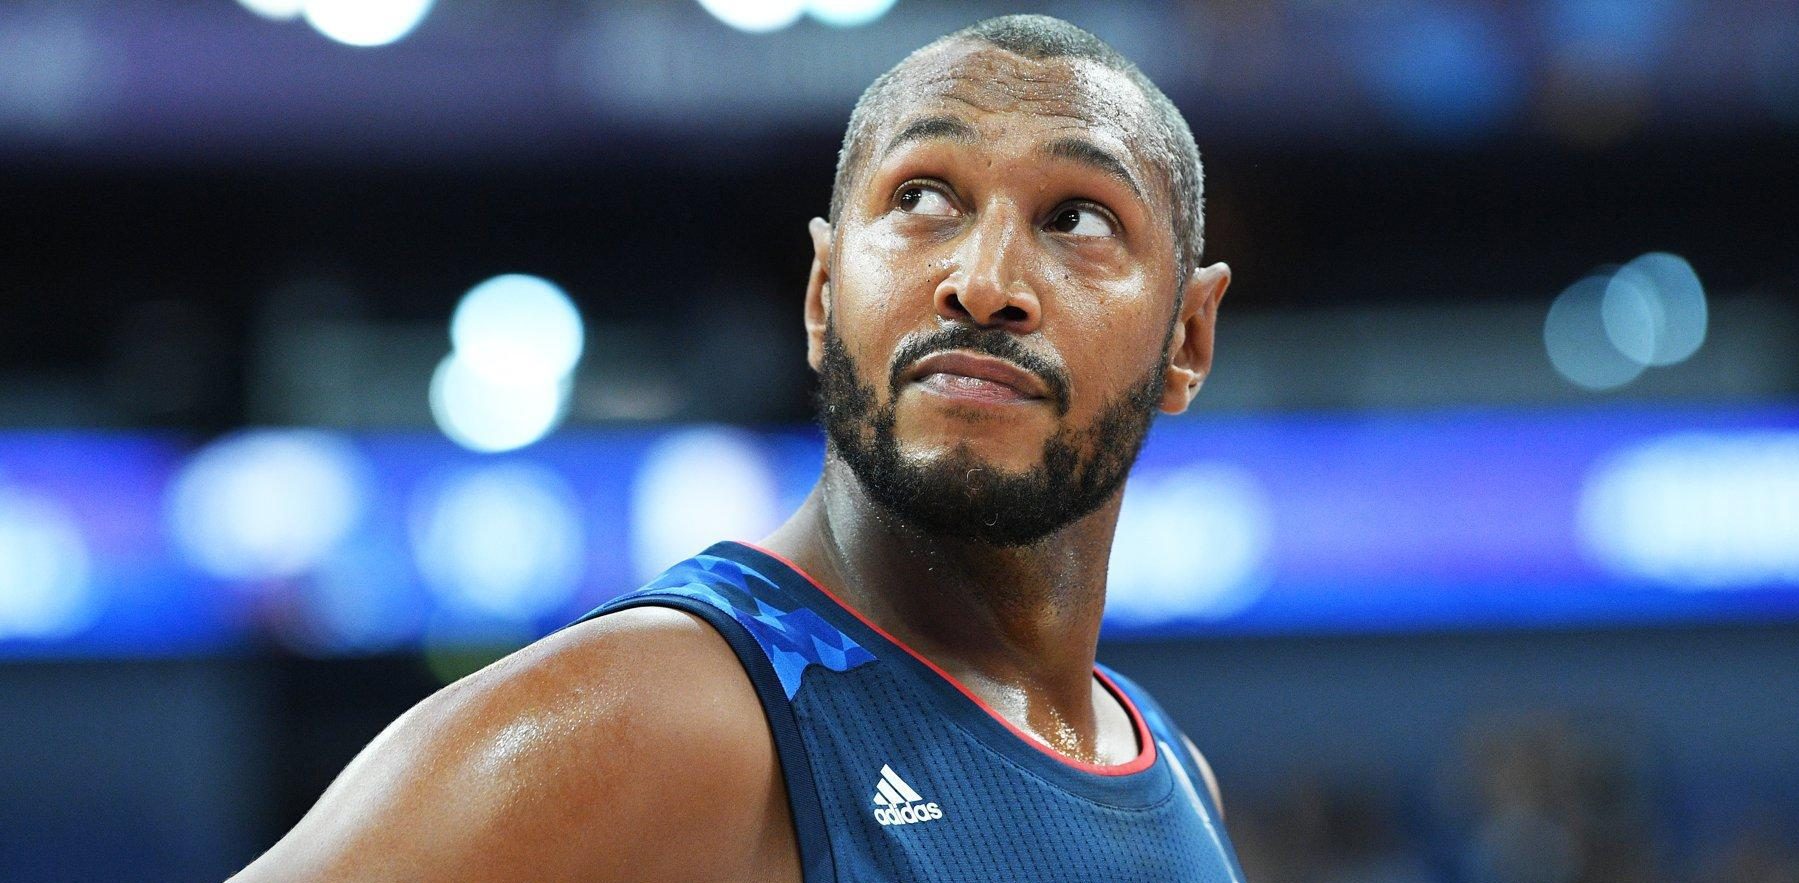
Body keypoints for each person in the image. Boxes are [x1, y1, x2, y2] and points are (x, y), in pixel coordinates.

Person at [232, 13, 1239, 882]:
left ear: (1187, 340)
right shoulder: (654, 713)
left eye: (1078, 217)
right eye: (923, 199)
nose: (982, 280)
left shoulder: (1181, 771)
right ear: (821, 293)